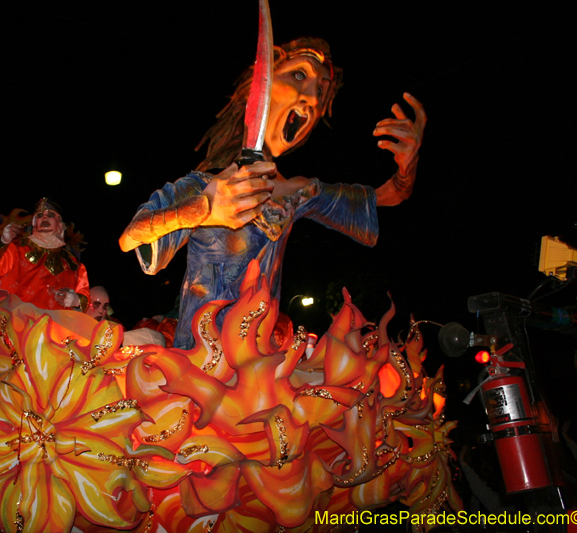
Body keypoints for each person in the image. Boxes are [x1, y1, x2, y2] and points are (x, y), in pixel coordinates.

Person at [119, 38, 426, 349]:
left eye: (320, 90)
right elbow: (131, 236)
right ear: (260, 86)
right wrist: (205, 209)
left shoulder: (298, 192)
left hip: (257, 369)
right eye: (297, 75)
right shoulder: (205, 185)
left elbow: (389, 196)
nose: (312, 99)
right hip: (199, 366)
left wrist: (406, 169)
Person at [0, 198, 89, 311]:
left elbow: (84, 296)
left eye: (51, 214)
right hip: (18, 322)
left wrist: (76, 300)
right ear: (34, 223)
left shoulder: (72, 261)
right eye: (39, 215)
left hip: (56, 326)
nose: (44, 217)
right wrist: (2, 241)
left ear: (59, 222)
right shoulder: (17, 249)